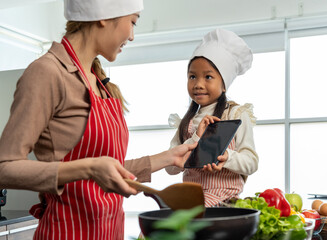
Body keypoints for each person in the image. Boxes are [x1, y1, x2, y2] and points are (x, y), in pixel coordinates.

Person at [0, 0, 197, 239]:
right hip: (67, 232)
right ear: (104, 16)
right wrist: (90, 167)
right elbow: (5, 168)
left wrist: (168, 157)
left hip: (109, 231)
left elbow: (107, 170)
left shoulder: (99, 83)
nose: (132, 36)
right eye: (132, 22)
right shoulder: (48, 73)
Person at [166, 29, 259, 207]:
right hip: (190, 197)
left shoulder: (235, 114)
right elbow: (170, 168)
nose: (198, 84)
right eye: (192, 76)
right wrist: (194, 139)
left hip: (224, 200)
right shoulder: (186, 122)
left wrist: (227, 157)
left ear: (224, 84)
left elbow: (252, 162)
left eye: (208, 77)